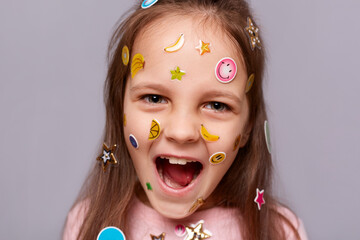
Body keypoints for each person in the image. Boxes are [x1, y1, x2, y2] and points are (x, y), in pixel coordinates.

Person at [63, 0, 308, 239]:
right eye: (155, 98)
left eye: (216, 105)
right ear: (120, 107)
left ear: (248, 125)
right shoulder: (87, 225)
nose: (181, 132)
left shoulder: (280, 232)